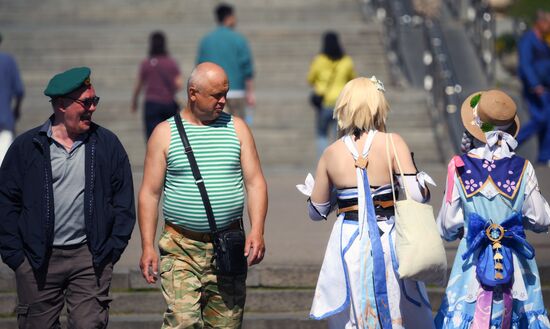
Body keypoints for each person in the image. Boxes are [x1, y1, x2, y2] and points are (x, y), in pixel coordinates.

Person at [0, 67, 136, 328]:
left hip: (90, 258)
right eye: (86, 102)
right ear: (61, 105)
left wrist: (111, 251)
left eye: (95, 100)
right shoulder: (26, 147)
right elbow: (6, 202)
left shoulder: (107, 144)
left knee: (89, 325)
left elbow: (123, 202)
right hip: (37, 260)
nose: (93, 108)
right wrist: (17, 258)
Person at [297, 77, 436, 328]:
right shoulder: (393, 142)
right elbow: (418, 195)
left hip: (348, 240)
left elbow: (316, 212)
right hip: (389, 238)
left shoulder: (331, 152)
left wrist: (320, 194)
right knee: (397, 307)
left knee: (354, 311)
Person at [138, 62, 267, 328]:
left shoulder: (238, 128)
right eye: (216, 95)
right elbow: (150, 194)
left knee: (226, 324)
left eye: (225, 93)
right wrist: (147, 245)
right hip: (181, 247)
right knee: (183, 322)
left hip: (228, 245)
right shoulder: (164, 133)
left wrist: (257, 230)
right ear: (193, 93)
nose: (223, 101)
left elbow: (255, 183)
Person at [435, 90, 550, 328]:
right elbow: (540, 218)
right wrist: (515, 220)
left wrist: (465, 228)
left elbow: (447, 226)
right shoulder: (523, 168)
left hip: (471, 266)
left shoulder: (459, 167)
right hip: (515, 262)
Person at [196, 3, 255, 121]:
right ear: (229, 17)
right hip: (236, 91)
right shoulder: (239, 39)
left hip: (212, 92)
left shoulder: (206, 41)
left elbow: (199, 69)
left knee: (216, 130)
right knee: (238, 129)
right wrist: (250, 92)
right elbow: (247, 69)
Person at [307, 31, 356, 159]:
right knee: (338, 136)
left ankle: (324, 161)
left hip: (323, 103)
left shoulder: (319, 60)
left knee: (322, 134)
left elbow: (310, 79)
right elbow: (352, 80)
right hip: (340, 103)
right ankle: (337, 162)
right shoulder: (346, 61)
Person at [132, 31, 183, 140]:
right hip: (168, 103)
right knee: (170, 136)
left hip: (151, 104)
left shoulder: (146, 63)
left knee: (152, 137)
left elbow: (139, 85)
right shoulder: (171, 62)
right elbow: (179, 85)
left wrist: (134, 101)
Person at [516, 11, 550, 164]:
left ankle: (544, 158)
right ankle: (509, 145)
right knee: (540, 119)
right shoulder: (528, 40)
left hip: (545, 87)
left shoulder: (542, 41)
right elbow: (525, 64)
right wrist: (535, 84)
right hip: (535, 89)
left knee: (547, 122)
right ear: (540, 22)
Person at [0, 33, 24, 164]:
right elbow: (19, 90)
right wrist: (16, 109)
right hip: (4, 119)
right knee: (3, 163)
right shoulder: (8, 61)